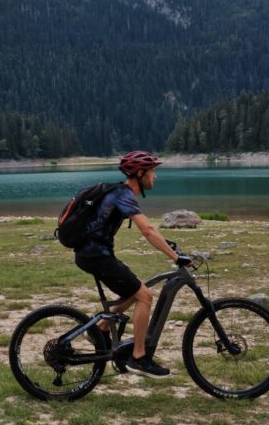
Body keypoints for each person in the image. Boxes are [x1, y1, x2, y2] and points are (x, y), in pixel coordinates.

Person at [73, 151, 188, 377]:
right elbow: (147, 230)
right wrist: (175, 258)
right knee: (144, 295)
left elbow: (149, 230)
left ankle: (100, 328)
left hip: (93, 255)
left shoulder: (120, 193)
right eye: (152, 172)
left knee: (135, 290)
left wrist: (168, 245)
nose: (155, 177)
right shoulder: (123, 194)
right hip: (96, 256)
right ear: (140, 173)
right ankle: (138, 358)